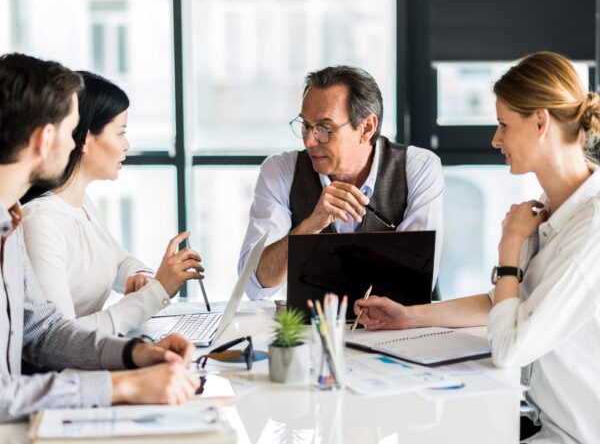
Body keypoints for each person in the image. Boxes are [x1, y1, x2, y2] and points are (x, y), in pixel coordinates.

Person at [354, 52, 600, 443]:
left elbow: (508, 347)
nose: (495, 139)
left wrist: (510, 249)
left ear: (540, 121)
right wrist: (408, 316)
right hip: (539, 421)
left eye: (504, 125)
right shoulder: (554, 206)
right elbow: (501, 304)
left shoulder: (591, 232)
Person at [0, 53, 199, 422]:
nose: (75, 140)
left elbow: (43, 333)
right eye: (71, 129)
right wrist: (124, 387)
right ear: (46, 139)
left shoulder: (8, 224)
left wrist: (133, 355)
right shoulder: (32, 220)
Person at [20, 72, 203, 335]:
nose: (127, 145)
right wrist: (157, 292)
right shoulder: (40, 222)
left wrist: (142, 276)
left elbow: (118, 261)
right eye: (120, 133)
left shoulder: (81, 204)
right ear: (82, 138)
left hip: (95, 359)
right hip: (72, 370)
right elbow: (61, 339)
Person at [238, 65, 444, 300]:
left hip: (397, 331)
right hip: (311, 331)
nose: (308, 140)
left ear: (366, 128)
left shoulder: (418, 168)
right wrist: (310, 226)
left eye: (325, 129)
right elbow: (256, 284)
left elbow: (415, 280)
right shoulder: (280, 171)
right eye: (305, 125)